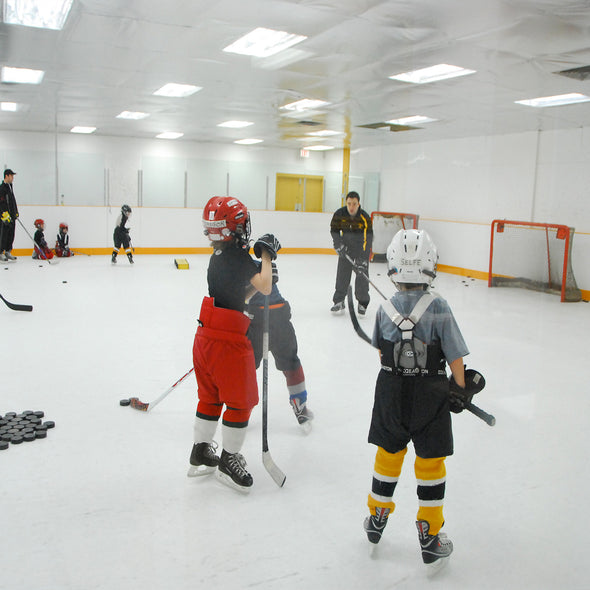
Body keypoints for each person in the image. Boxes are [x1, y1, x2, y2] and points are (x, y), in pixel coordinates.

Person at [363, 229, 469, 568]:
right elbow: (455, 355)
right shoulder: (439, 306)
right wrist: (460, 388)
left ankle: (377, 515)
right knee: (430, 462)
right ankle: (430, 532)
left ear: (394, 265)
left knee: (388, 453)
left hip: (391, 392)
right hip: (431, 393)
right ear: (430, 264)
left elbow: (381, 353)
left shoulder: (384, 308)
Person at [187, 196, 280, 493]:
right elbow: (265, 285)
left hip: (205, 338)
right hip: (228, 343)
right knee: (241, 402)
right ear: (235, 228)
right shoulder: (239, 258)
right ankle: (229, 460)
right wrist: (266, 256)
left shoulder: (217, 258)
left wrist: (257, 279)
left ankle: (200, 452)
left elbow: (240, 294)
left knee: (211, 398)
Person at [246, 261, 314, 430]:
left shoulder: (238, 264)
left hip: (267, 319)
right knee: (247, 369)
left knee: (246, 369)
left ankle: (241, 411)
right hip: (270, 318)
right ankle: (300, 406)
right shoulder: (249, 264)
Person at [330, 190, 373, 315]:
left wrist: (363, 258)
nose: (351, 207)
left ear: (359, 204)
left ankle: (362, 302)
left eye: (354, 204)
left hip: (361, 250)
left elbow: (368, 238)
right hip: (346, 249)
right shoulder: (340, 214)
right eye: (349, 204)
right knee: (342, 274)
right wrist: (338, 244)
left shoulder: (365, 217)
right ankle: (339, 300)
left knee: (362, 275)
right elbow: (334, 230)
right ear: (346, 203)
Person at [0, 168, 19, 262]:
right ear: (6, 176)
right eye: (11, 176)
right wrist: (5, 215)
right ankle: (1, 252)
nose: (12, 178)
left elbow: (12, 201)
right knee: (4, 235)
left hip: (12, 216)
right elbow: (2, 203)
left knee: (11, 234)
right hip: (5, 217)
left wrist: (15, 211)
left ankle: (8, 251)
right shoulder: (2, 188)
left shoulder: (10, 186)